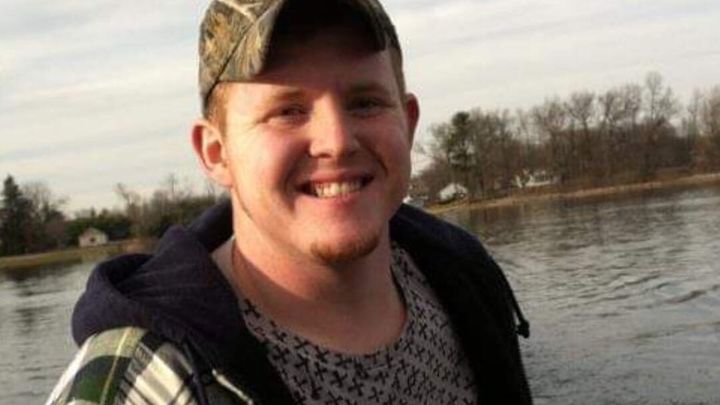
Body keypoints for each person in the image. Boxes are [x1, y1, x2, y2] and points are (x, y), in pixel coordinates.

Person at [47, 0, 532, 404]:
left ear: (407, 124)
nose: (336, 142)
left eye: (365, 102)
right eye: (288, 111)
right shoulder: (141, 384)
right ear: (216, 153)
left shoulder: (463, 279)